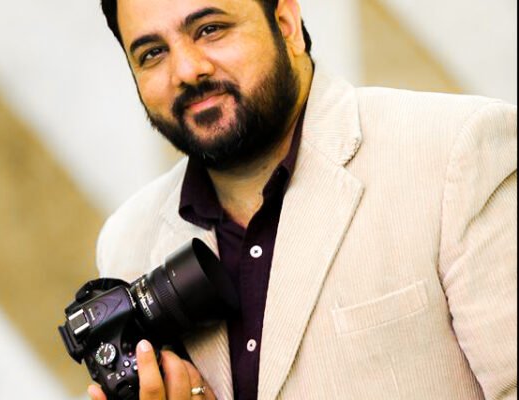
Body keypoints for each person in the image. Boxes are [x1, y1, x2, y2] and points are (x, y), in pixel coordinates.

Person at [86, 0, 517, 399]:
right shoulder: (126, 242)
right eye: (152, 53)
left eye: (210, 29)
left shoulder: (456, 151)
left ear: (286, 24)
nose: (185, 70)